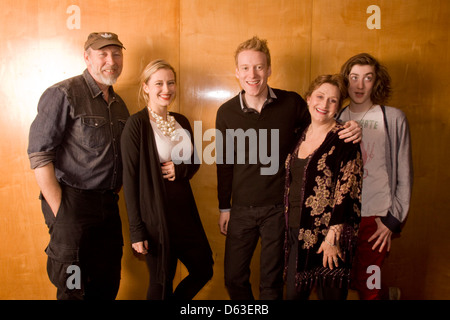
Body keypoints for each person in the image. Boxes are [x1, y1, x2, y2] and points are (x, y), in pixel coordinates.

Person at [215, 36, 362, 300]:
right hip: (240, 210)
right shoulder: (226, 112)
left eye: (259, 67)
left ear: (269, 69)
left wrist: (349, 125)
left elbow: (321, 126)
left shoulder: (291, 103)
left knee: (271, 283)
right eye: (246, 68)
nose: (253, 74)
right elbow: (224, 163)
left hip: (277, 210)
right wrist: (224, 206)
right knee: (234, 278)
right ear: (237, 72)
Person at [27, 32, 129, 300]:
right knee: (73, 288)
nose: (111, 60)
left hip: (108, 204)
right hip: (72, 202)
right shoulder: (63, 94)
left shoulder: (120, 105)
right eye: (103, 54)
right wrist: (63, 212)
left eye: (116, 53)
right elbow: (40, 155)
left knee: (106, 284)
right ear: (87, 57)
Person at [121, 59, 213, 300]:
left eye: (170, 83)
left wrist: (180, 169)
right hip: (155, 218)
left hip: (185, 214)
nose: (166, 89)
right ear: (146, 87)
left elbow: (194, 161)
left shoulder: (181, 120)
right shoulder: (136, 125)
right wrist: (136, 231)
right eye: (159, 83)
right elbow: (129, 181)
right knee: (162, 282)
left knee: (204, 269)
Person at [337, 53, 413, 300]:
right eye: (354, 77)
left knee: (370, 286)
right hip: (342, 219)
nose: (360, 85)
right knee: (339, 284)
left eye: (367, 78)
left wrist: (392, 220)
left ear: (376, 82)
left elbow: (405, 174)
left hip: (377, 220)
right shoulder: (335, 118)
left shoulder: (393, 118)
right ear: (346, 81)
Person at [284, 74, 363, 300]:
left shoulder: (345, 138)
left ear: (338, 107)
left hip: (330, 239)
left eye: (333, 100)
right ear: (308, 99)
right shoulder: (297, 134)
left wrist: (333, 237)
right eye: (320, 96)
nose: (324, 104)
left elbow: (349, 191)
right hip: (296, 233)